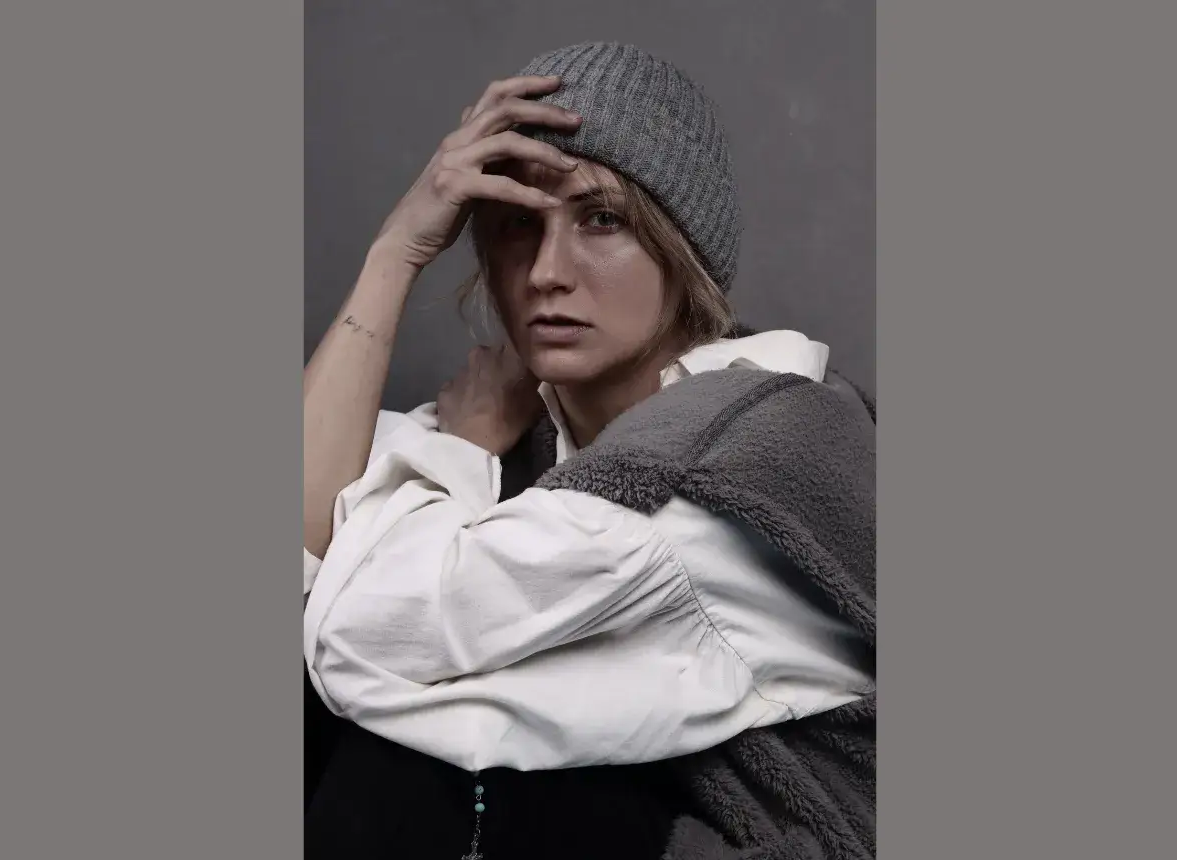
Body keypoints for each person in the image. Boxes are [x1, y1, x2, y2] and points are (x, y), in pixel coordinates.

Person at [303, 42, 876, 859]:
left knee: (397, 767)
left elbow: (364, 638)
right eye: (517, 224)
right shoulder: (531, 424)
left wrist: (461, 446)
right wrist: (396, 252)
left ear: (682, 249)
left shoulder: (719, 467)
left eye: (602, 219)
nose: (546, 273)